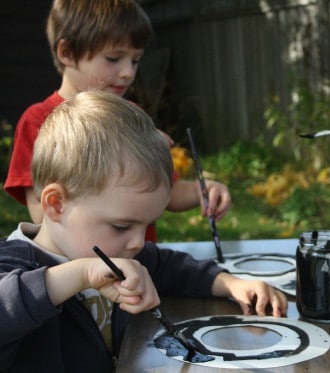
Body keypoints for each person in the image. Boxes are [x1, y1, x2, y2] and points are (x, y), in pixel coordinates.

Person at [0, 91, 287, 371]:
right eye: (121, 226)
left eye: (147, 225)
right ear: (56, 204)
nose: (138, 242)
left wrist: (230, 284)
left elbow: (171, 266)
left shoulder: (121, 251)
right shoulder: (13, 266)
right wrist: (82, 274)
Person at [4, 0, 231, 243]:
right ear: (67, 53)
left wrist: (202, 189)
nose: (128, 72)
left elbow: (164, 193)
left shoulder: (131, 115)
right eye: (113, 58)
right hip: (80, 272)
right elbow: (42, 215)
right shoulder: (38, 121)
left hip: (141, 265)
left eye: (135, 60)